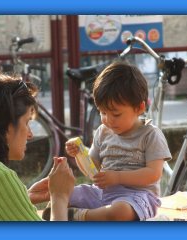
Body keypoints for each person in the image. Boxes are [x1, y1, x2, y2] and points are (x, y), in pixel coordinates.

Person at [64, 59, 172, 221]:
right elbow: (92, 171)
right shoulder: (103, 132)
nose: (108, 120)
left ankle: (80, 217)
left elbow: (154, 174)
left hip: (138, 197)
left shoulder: (150, 135)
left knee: (120, 211)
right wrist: (79, 155)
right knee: (64, 194)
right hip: (103, 193)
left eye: (116, 114)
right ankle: (83, 215)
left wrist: (118, 177)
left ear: (139, 108)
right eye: (103, 113)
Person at [0, 72, 75, 221]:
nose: (30, 134)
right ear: (6, 128)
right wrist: (60, 196)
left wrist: (24, 198)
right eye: (26, 122)